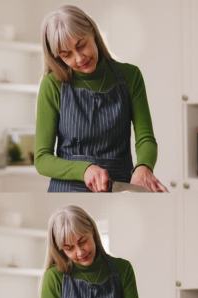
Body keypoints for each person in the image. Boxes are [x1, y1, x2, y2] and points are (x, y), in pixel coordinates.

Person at [36, 5, 167, 192]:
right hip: (67, 190)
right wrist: (84, 170)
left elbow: (145, 138)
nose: (79, 58)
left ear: (93, 32)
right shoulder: (52, 85)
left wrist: (143, 167)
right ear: (57, 58)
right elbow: (42, 159)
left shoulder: (130, 76)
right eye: (67, 55)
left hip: (119, 188)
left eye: (81, 45)